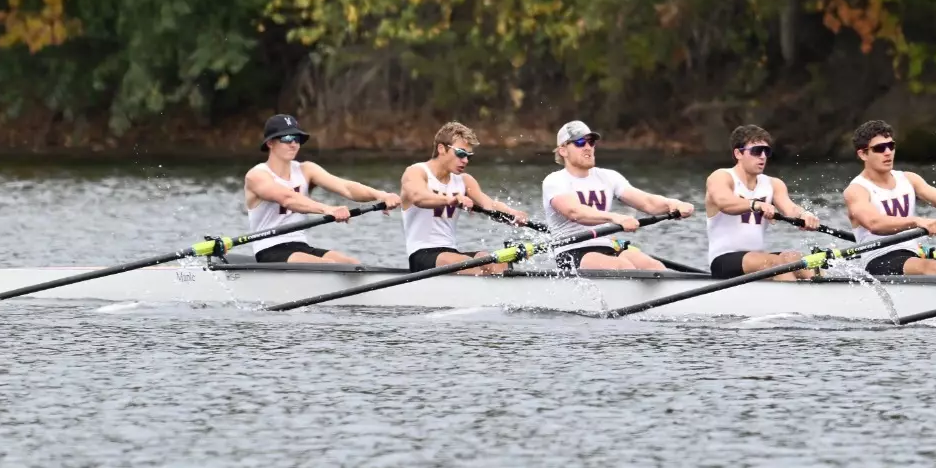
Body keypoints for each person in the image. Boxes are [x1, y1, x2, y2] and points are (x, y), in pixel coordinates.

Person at [243, 114, 400, 264]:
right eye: (287, 138)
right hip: (269, 250)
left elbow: (347, 188)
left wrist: (381, 195)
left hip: (300, 245)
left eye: (297, 139)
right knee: (330, 265)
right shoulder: (257, 176)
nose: (293, 144)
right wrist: (328, 209)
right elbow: (288, 199)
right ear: (270, 143)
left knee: (352, 265)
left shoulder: (306, 169)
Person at [542, 120, 695, 271]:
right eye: (580, 142)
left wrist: (673, 204)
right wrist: (614, 217)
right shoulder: (555, 180)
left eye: (591, 142)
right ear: (563, 150)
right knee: (624, 267)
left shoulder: (609, 177)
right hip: (572, 250)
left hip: (608, 246)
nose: (588, 147)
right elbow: (574, 212)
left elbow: (647, 202)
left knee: (655, 267)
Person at [842, 120, 936, 276]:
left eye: (891, 146)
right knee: (930, 268)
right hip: (878, 259)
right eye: (879, 148)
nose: (888, 152)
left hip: (913, 255)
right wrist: (917, 221)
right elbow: (874, 223)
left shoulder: (909, 179)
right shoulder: (857, 190)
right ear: (863, 154)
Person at [397, 121, 530, 274]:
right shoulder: (416, 172)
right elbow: (417, 197)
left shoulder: (464, 181)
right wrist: (449, 199)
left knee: (495, 262)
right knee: (472, 265)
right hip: (422, 255)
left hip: (451, 254)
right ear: (442, 149)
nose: (465, 160)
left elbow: (489, 205)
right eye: (461, 154)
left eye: (468, 156)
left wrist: (513, 214)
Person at [703, 125, 823, 279]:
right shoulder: (722, 176)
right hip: (724, 260)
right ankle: (793, 300)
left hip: (757, 260)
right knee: (777, 265)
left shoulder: (773, 184)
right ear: (738, 153)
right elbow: (724, 202)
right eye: (756, 151)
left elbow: (791, 209)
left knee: (799, 259)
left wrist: (805, 215)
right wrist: (755, 204)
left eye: (766, 151)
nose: (762, 156)